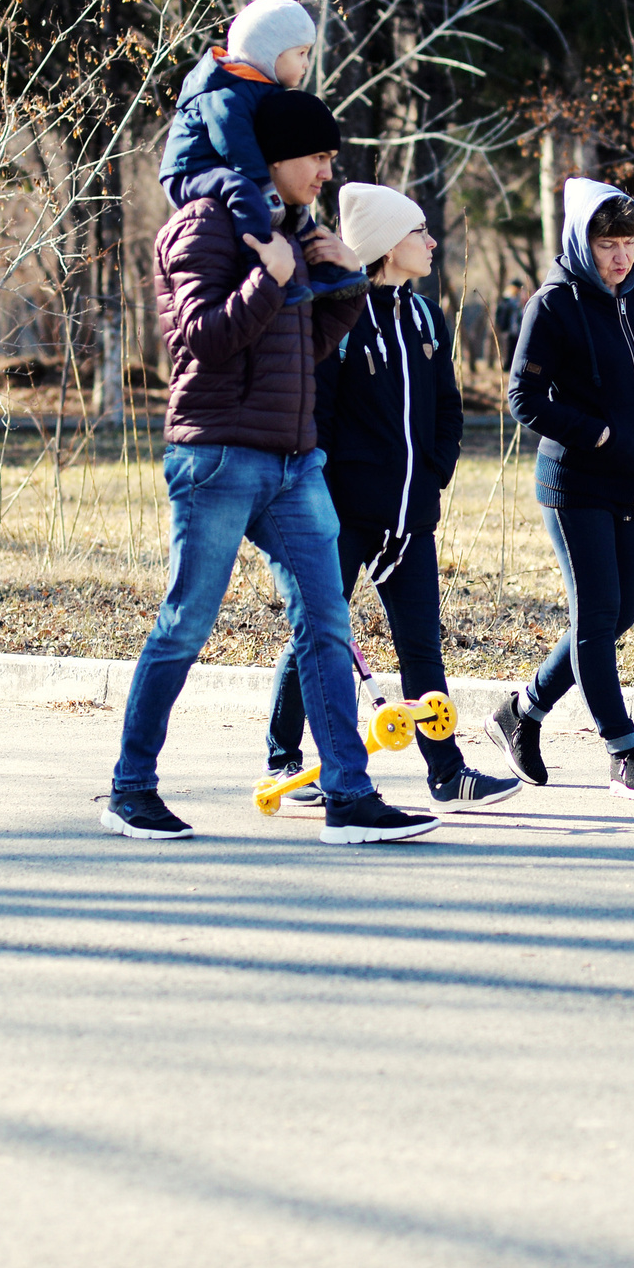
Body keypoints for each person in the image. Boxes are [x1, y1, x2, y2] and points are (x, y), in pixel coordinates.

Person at [105, 87, 441, 846]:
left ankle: (348, 796)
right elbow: (198, 343)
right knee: (186, 623)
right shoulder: (201, 227)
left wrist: (344, 283)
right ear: (277, 157)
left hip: (293, 465)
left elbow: (299, 353)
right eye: (318, 157)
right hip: (217, 457)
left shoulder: (287, 226)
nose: (327, 173)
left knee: (326, 622)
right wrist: (272, 276)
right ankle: (131, 789)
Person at [262, 183, 524, 811]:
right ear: (383, 245)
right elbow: (314, 416)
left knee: (421, 647)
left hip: (412, 517)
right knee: (318, 633)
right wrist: (318, 497)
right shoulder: (338, 313)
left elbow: (448, 412)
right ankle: (284, 758)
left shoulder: (429, 316)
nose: (432, 243)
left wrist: (434, 473)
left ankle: (446, 771)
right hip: (344, 516)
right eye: (418, 233)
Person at [487, 178, 634, 801]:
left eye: (628, 242)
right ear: (581, 243)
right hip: (574, 483)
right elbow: (523, 397)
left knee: (617, 615)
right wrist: (596, 434)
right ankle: (624, 751)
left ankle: (523, 709)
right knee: (596, 615)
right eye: (606, 245)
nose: (620, 256)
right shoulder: (554, 304)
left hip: (633, 482)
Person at [157, 0, 367, 306]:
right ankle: (260, 264)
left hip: (231, 167)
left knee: (295, 204)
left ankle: (323, 269)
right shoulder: (227, 89)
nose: (306, 63)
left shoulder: (265, 90)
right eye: (301, 53)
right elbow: (234, 143)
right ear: (271, 52)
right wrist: (262, 182)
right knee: (244, 190)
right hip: (192, 170)